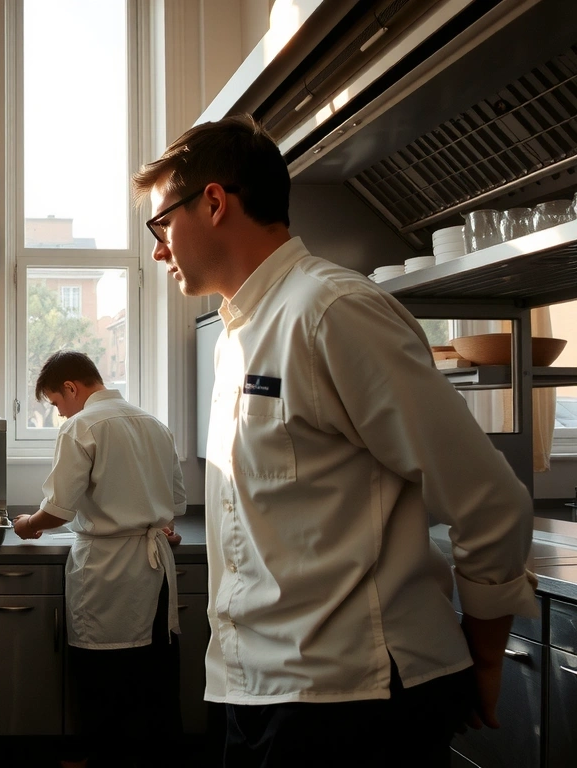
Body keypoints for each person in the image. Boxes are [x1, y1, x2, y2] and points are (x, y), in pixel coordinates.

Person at [130, 114, 537, 767]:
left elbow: (489, 502)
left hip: (351, 705)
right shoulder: (239, 332)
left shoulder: (330, 311)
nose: (157, 249)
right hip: (260, 690)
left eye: (160, 224)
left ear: (212, 202)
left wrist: (484, 652)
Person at [13, 350, 186, 768]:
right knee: (151, 673)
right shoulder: (154, 424)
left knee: (102, 673)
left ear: (71, 388)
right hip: (156, 567)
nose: (59, 414)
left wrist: (28, 524)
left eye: (56, 403)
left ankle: (94, 758)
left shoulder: (81, 426)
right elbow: (176, 499)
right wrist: (154, 521)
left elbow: (59, 510)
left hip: (108, 568)